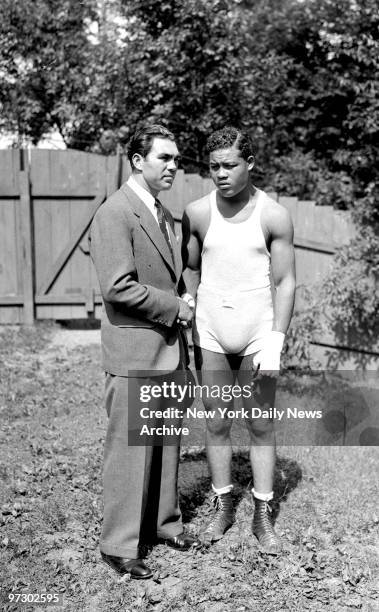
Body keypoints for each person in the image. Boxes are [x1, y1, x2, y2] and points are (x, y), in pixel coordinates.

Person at [89, 124, 198, 580]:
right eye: (164, 159)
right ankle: (119, 544)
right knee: (130, 451)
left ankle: (162, 522)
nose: (173, 167)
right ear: (137, 160)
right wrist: (177, 307)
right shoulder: (115, 212)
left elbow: (172, 277)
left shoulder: (167, 217)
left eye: (176, 159)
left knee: (166, 445)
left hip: (169, 354)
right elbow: (117, 288)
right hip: (134, 352)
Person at [181, 126, 296, 554]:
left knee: (261, 423)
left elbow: (285, 283)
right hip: (211, 330)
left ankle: (262, 513)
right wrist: (190, 299)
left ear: (250, 164)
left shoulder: (273, 214)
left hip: (256, 334)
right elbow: (188, 265)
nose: (221, 174)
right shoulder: (196, 212)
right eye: (214, 166)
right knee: (215, 420)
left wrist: (276, 341)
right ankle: (224, 501)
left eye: (230, 165)